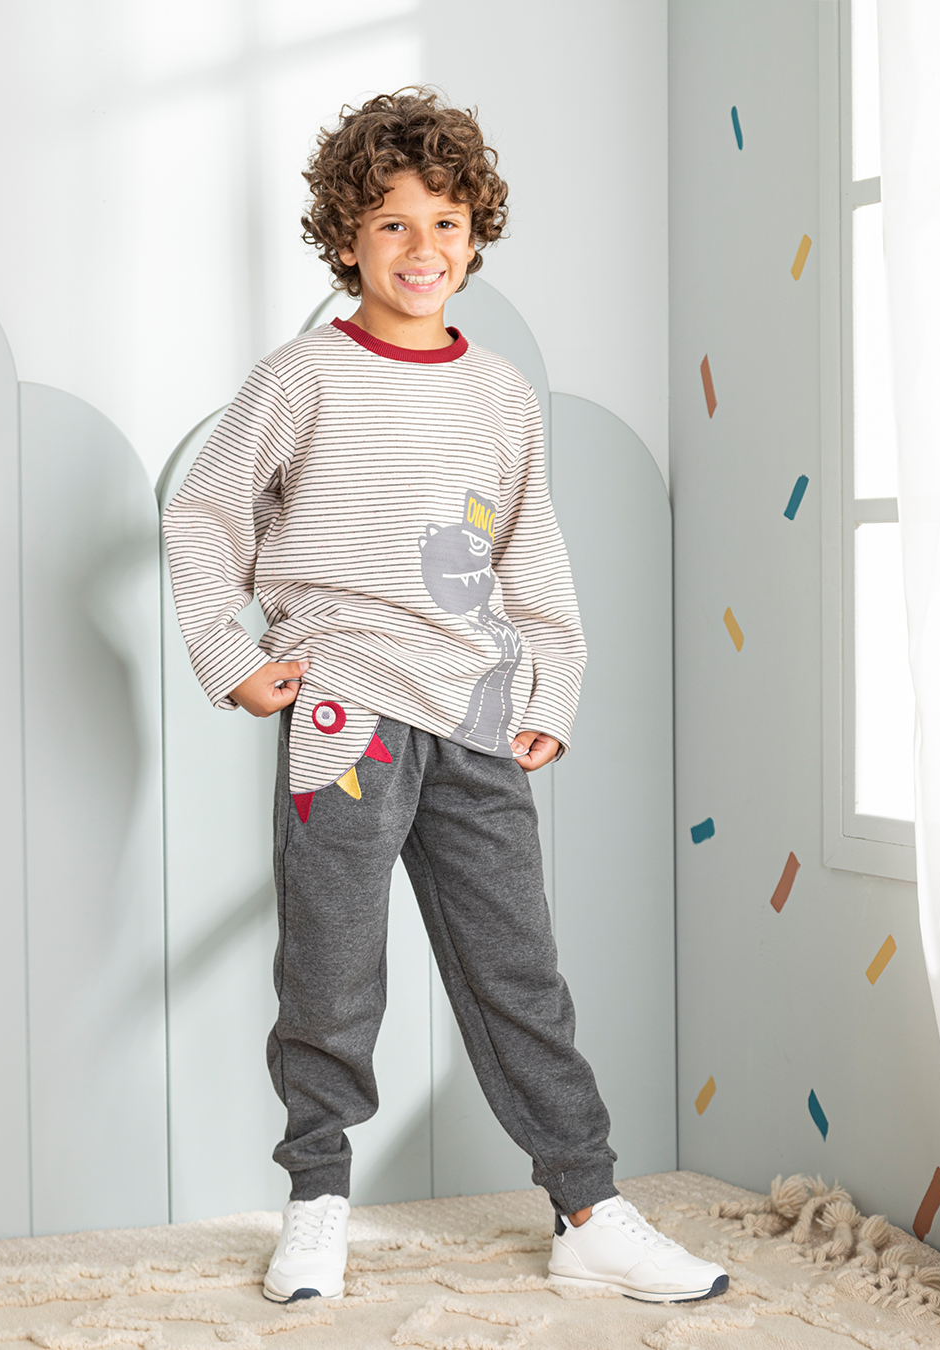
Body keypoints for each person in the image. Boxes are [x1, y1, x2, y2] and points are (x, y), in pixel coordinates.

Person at [162, 87, 728, 1308]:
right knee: (331, 973)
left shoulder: (501, 394)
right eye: (393, 224)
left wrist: (552, 687)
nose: (423, 249)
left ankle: (589, 1209)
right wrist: (227, 652)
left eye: (447, 223)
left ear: (476, 234)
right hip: (345, 711)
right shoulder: (302, 376)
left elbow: (532, 552)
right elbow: (202, 514)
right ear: (346, 237)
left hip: (474, 713)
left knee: (519, 971)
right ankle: (317, 1203)